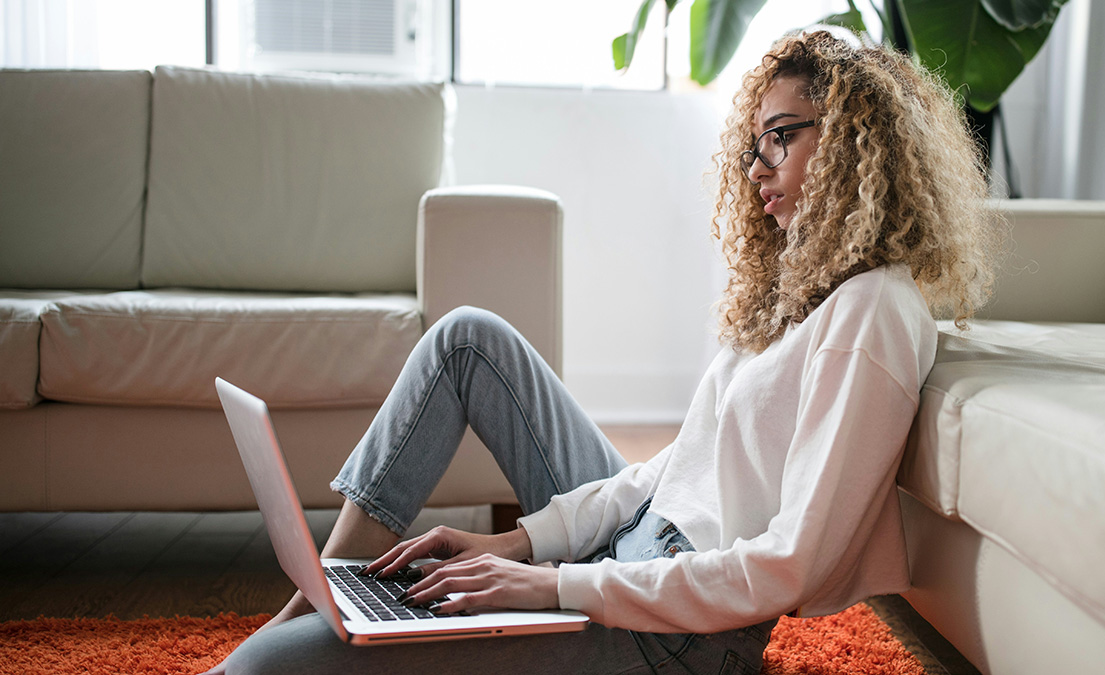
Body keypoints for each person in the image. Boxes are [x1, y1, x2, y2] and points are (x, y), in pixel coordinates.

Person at [210, 29, 997, 675]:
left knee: (264, 669)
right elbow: (671, 469)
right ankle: (335, 588)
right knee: (467, 339)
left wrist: (553, 585)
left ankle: (327, 618)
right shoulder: (793, 296)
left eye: (780, 139)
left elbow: (790, 565)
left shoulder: (874, 310)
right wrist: (519, 543)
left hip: (677, 635)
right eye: (753, 146)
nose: (757, 169)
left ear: (856, 142)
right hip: (628, 558)